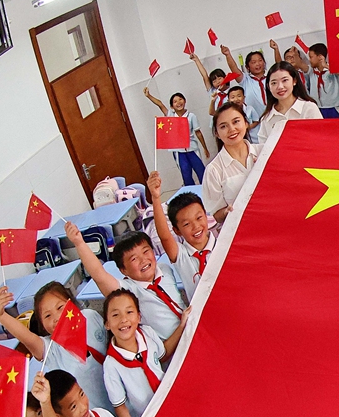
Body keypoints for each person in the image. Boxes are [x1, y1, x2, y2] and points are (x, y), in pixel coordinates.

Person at [0, 282, 111, 414]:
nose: (56, 318)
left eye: (60, 307)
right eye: (47, 316)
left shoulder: (90, 317)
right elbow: (26, 337)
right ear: (42, 324)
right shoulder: (50, 350)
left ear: (70, 302)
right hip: (96, 416)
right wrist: (1, 316)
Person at [65, 223, 186, 342]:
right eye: (134, 259)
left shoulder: (164, 268)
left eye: (145, 251)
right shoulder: (127, 293)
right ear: (123, 270)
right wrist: (79, 243)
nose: (143, 260)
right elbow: (99, 275)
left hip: (191, 327)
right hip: (173, 346)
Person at [102, 289, 183, 417]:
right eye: (115, 315)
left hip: (173, 404)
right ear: (107, 324)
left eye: (129, 312)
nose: (124, 319)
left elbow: (163, 355)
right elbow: (119, 404)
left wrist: (182, 325)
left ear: (139, 317)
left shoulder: (147, 333)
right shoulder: (111, 365)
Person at [147, 172, 213, 301]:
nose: (196, 226)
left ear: (206, 216)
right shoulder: (181, 255)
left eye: (199, 218)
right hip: (200, 312)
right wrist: (155, 198)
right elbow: (165, 237)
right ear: (177, 231)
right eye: (187, 224)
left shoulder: (223, 245)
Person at [202, 102, 263, 223]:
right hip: (241, 227)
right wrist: (228, 212)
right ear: (217, 133)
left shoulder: (264, 152)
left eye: (236, 122)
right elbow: (217, 215)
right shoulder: (213, 170)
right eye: (223, 126)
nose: (231, 129)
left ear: (246, 123)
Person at [143, 89, 209, 185]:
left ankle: (207, 191)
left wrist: (205, 148)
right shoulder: (171, 116)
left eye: (180, 99)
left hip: (192, 149)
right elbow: (160, 104)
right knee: (186, 175)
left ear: (185, 101)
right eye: (175, 101)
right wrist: (149, 95)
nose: (178, 102)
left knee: (201, 171)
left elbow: (198, 133)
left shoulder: (191, 116)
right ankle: (191, 192)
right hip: (179, 152)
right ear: (172, 106)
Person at [259, 61, 321, 139]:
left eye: (284, 80)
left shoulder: (309, 108)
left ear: (294, 81)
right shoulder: (266, 119)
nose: (280, 87)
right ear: (268, 87)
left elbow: (320, 139)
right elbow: (264, 145)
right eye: (274, 83)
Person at [222, 45, 269, 121]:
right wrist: (228, 55)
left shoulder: (270, 79)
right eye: (253, 62)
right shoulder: (246, 80)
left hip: (271, 117)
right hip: (254, 121)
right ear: (247, 67)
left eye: (260, 60)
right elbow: (234, 69)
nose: (258, 64)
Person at [304, 44, 339, 118]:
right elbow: (301, 65)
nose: (309, 60)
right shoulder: (311, 71)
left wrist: (326, 66)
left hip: (334, 107)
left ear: (320, 57)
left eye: (311, 57)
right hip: (318, 107)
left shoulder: (330, 68)